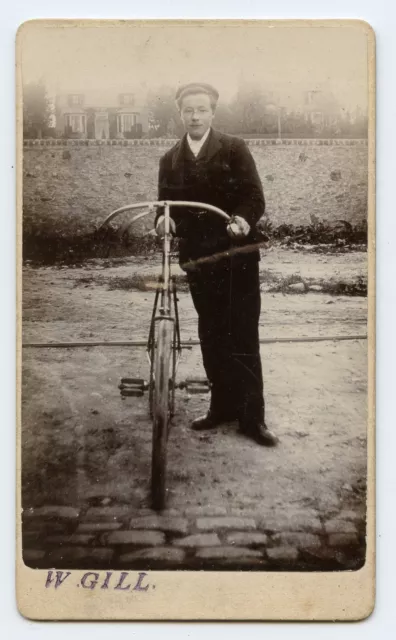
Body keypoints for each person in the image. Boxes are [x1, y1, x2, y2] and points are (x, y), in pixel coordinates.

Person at [155, 82, 278, 447]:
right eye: (188, 110)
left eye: (201, 109)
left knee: (242, 333)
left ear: (212, 112)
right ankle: (221, 407)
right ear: (180, 114)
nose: (195, 116)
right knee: (211, 333)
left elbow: (254, 195)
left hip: (237, 255)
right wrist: (164, 222)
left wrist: (243, 219)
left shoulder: (234, 149)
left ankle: (252, 418)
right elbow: (165, 207)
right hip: (199, 259)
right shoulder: (170, 159)